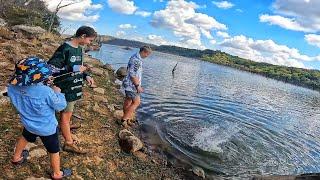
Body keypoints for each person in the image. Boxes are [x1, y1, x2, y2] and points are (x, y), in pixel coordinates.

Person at [7, 57, 71, 179]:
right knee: (54, 150)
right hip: (47, 129)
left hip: (28, 124)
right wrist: (57, 92)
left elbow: (27, 90)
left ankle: (16, 157)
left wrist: (41, 83)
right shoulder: (46, 91)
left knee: (25, 137)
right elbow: (60, 106)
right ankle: (57, 173)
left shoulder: (12, 87)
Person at [48, 26, 96, 154]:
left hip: (75, 86)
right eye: (90, 40)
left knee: (67, 113)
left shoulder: (80, 49)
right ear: (83, 36)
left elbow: (79, 67)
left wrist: (86, 75)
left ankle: (66, 125)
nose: (89, 43)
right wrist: (72, 69)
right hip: (65, 87)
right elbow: (51, 68)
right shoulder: (65, 48)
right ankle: (68, 143)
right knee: (65, 115)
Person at [121, 46, 152, 126]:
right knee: (137, 102)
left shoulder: (135, 57)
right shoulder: (136, 60)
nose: (147, 56)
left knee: (128, 101)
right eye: (148, 54)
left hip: (128, 84)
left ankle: (127, 118)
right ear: (144, 52)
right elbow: (132, 75)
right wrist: (138, 86)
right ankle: (124, 119)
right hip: (131, 86)